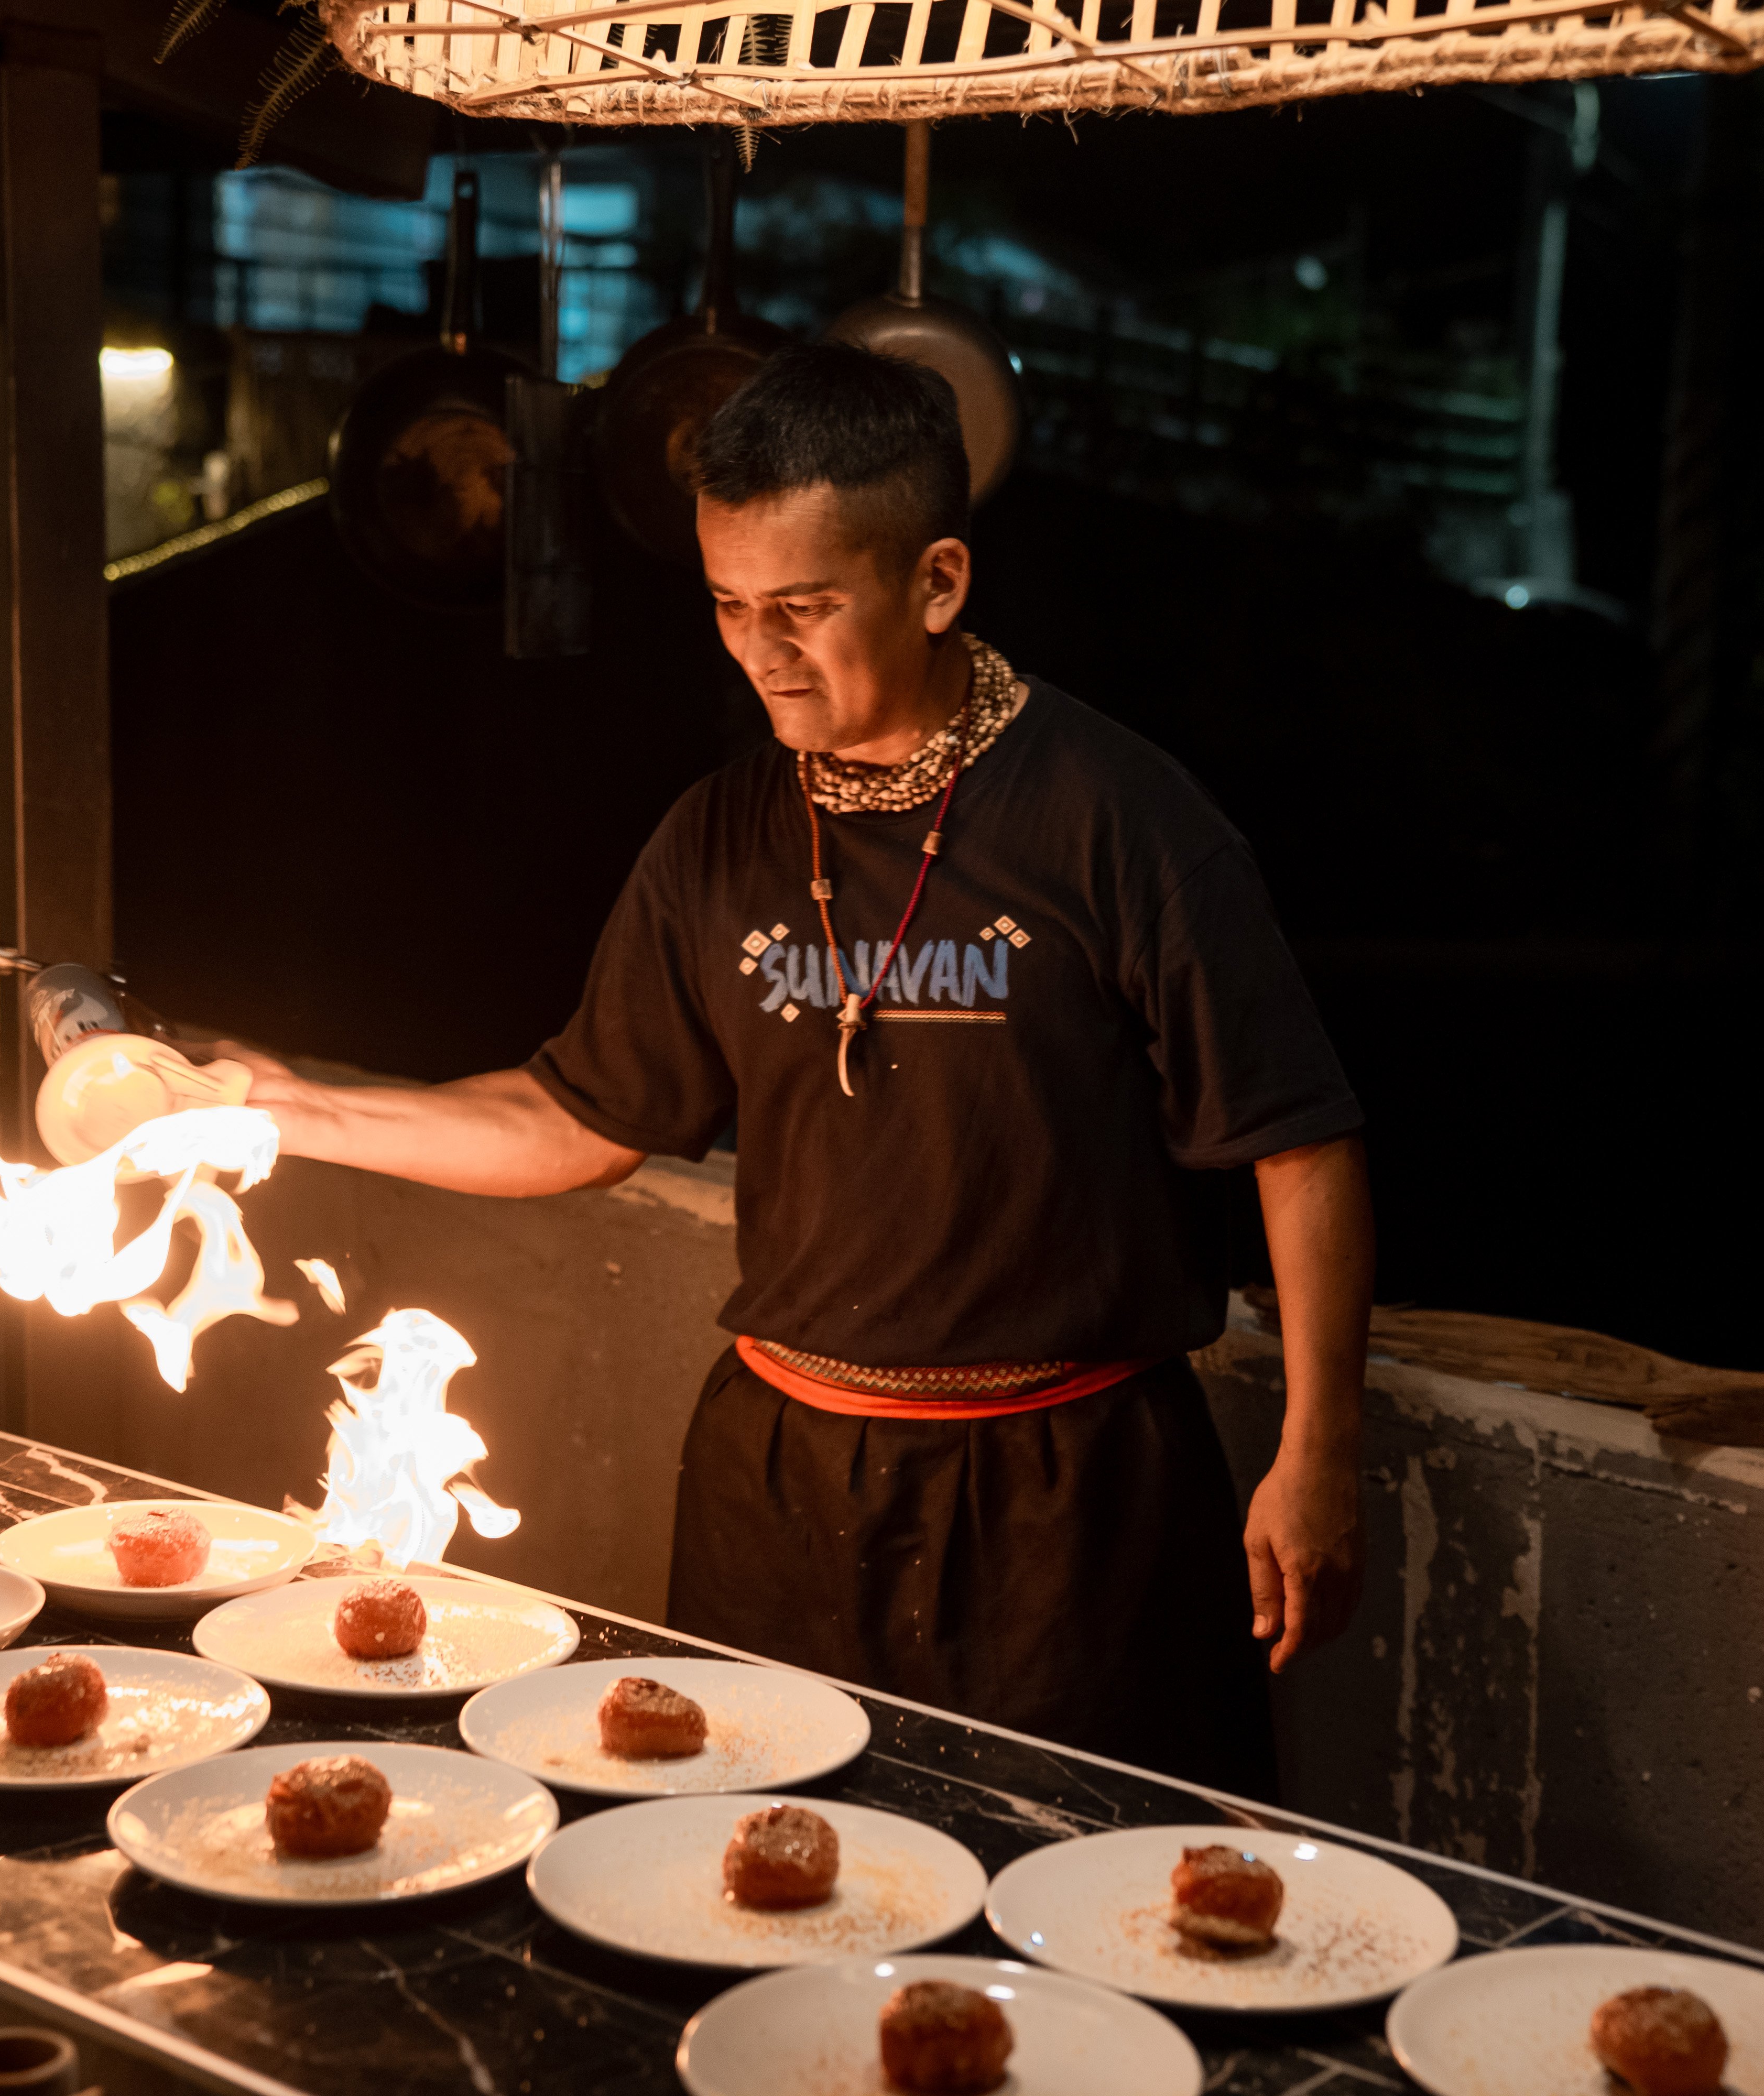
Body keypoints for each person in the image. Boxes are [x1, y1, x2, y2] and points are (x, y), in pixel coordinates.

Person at [228, 343, 1370, 1795]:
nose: (759, 652)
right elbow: (575, 1118)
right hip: (777, 1481)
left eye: (805, 610)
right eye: (726, 606)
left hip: (1067, 1494)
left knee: (1076, 1896)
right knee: (748, 1881)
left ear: (938, 582)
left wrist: (1319, 1447)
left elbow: (1301, 1142)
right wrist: (270, 1108)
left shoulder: (1123, 822)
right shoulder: (717, 839)